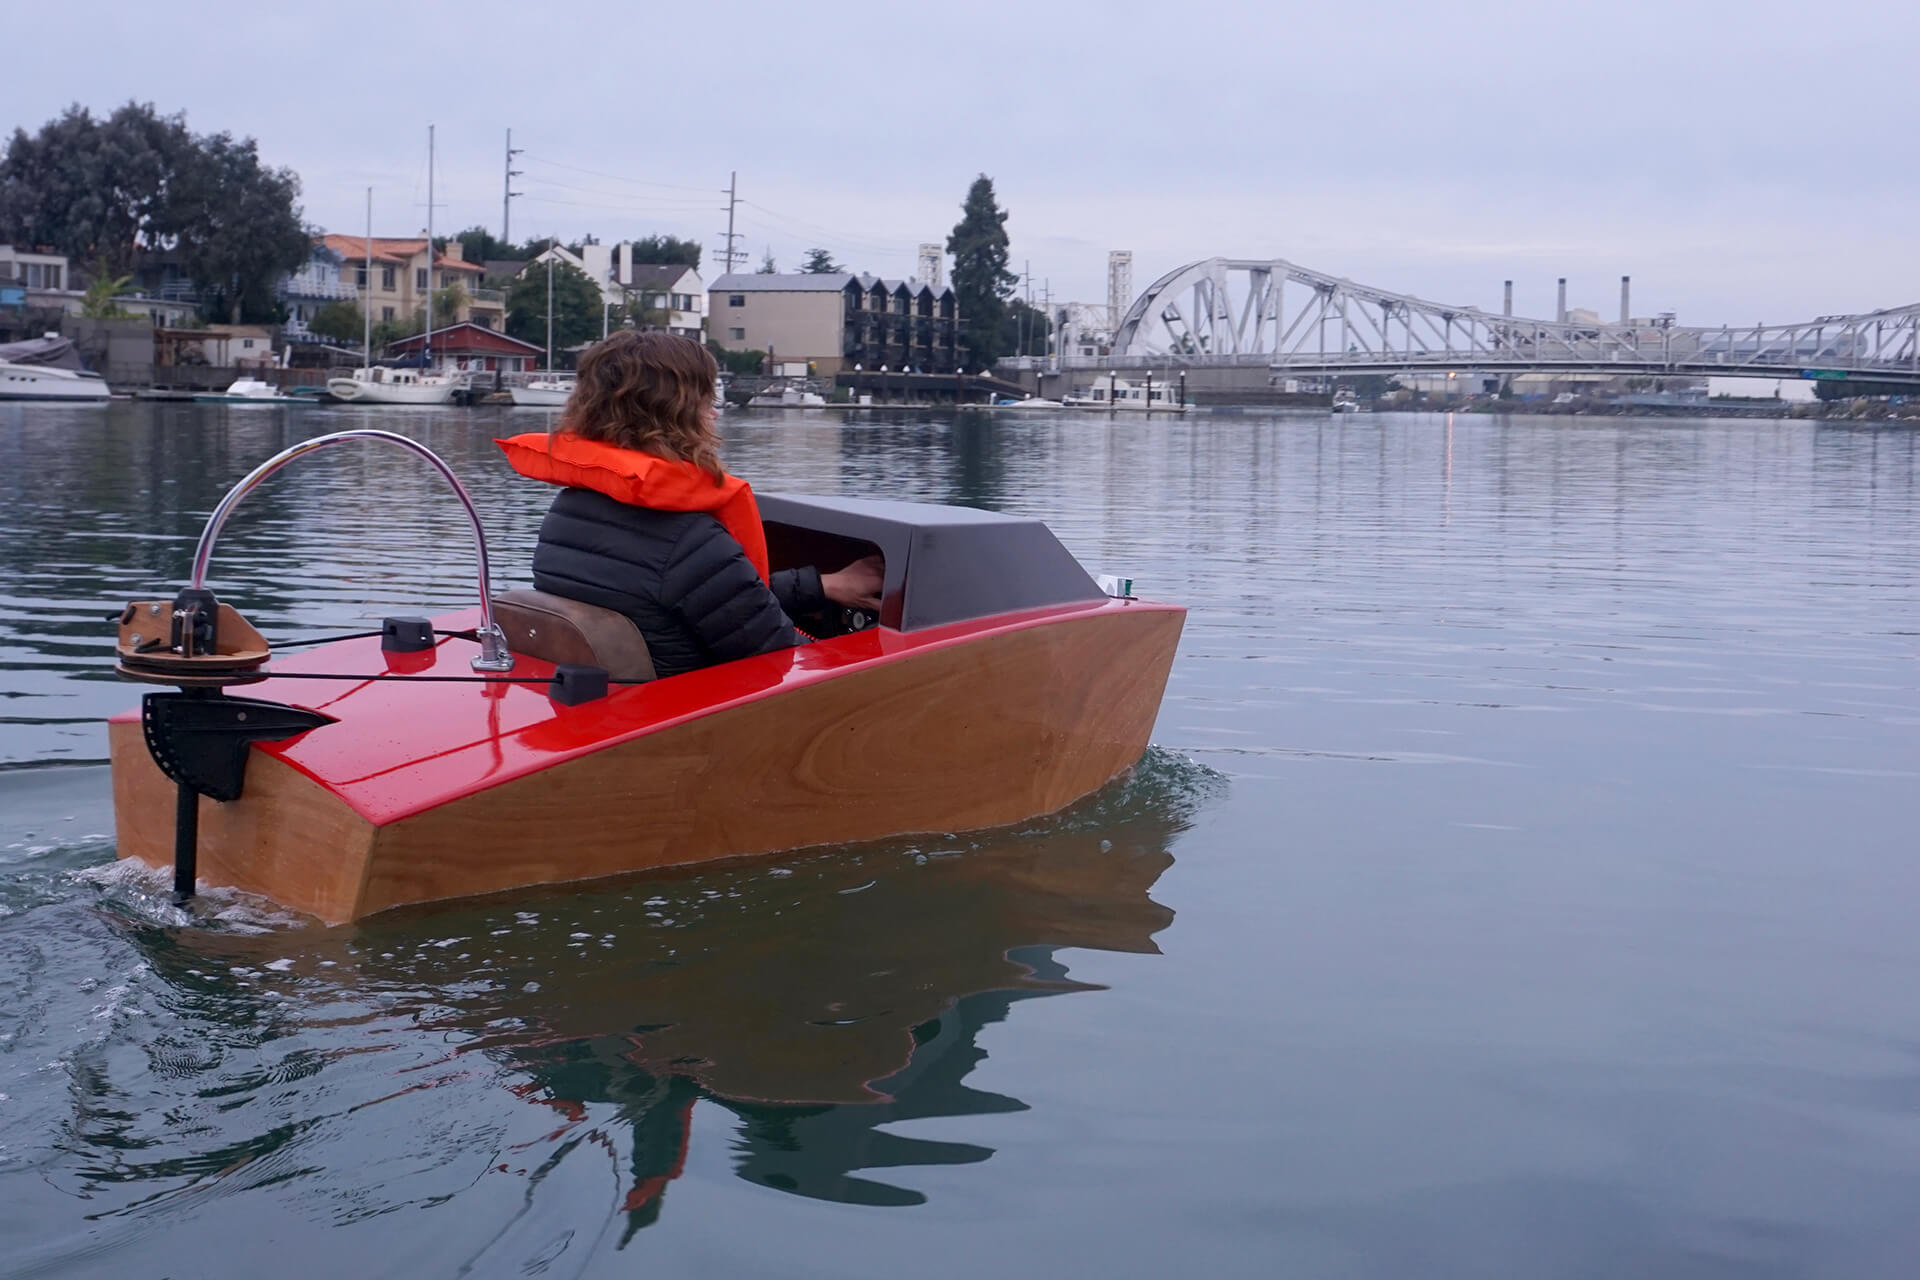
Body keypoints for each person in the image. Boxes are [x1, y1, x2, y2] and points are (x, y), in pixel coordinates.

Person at [495, 331, 882, 679]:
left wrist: (823, 585)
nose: (714, 413)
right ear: (675, 414)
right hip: (696, 728)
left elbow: (707, 597)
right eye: (705, 400)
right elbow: (779, 658)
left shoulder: (570, 509)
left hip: (620, 710)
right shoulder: (686, 538)